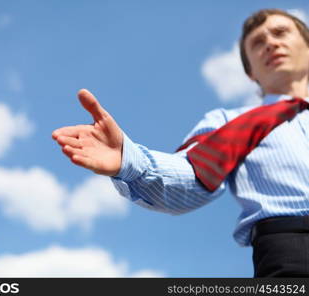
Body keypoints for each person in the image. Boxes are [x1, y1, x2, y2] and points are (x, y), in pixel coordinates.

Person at [52, 9, 309, 277]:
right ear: (249, 72)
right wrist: (129, 161)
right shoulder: (229, 122)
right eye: (257, 42)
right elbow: (193, 175)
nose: (270, 43)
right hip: (293, 254)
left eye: (281, 33)